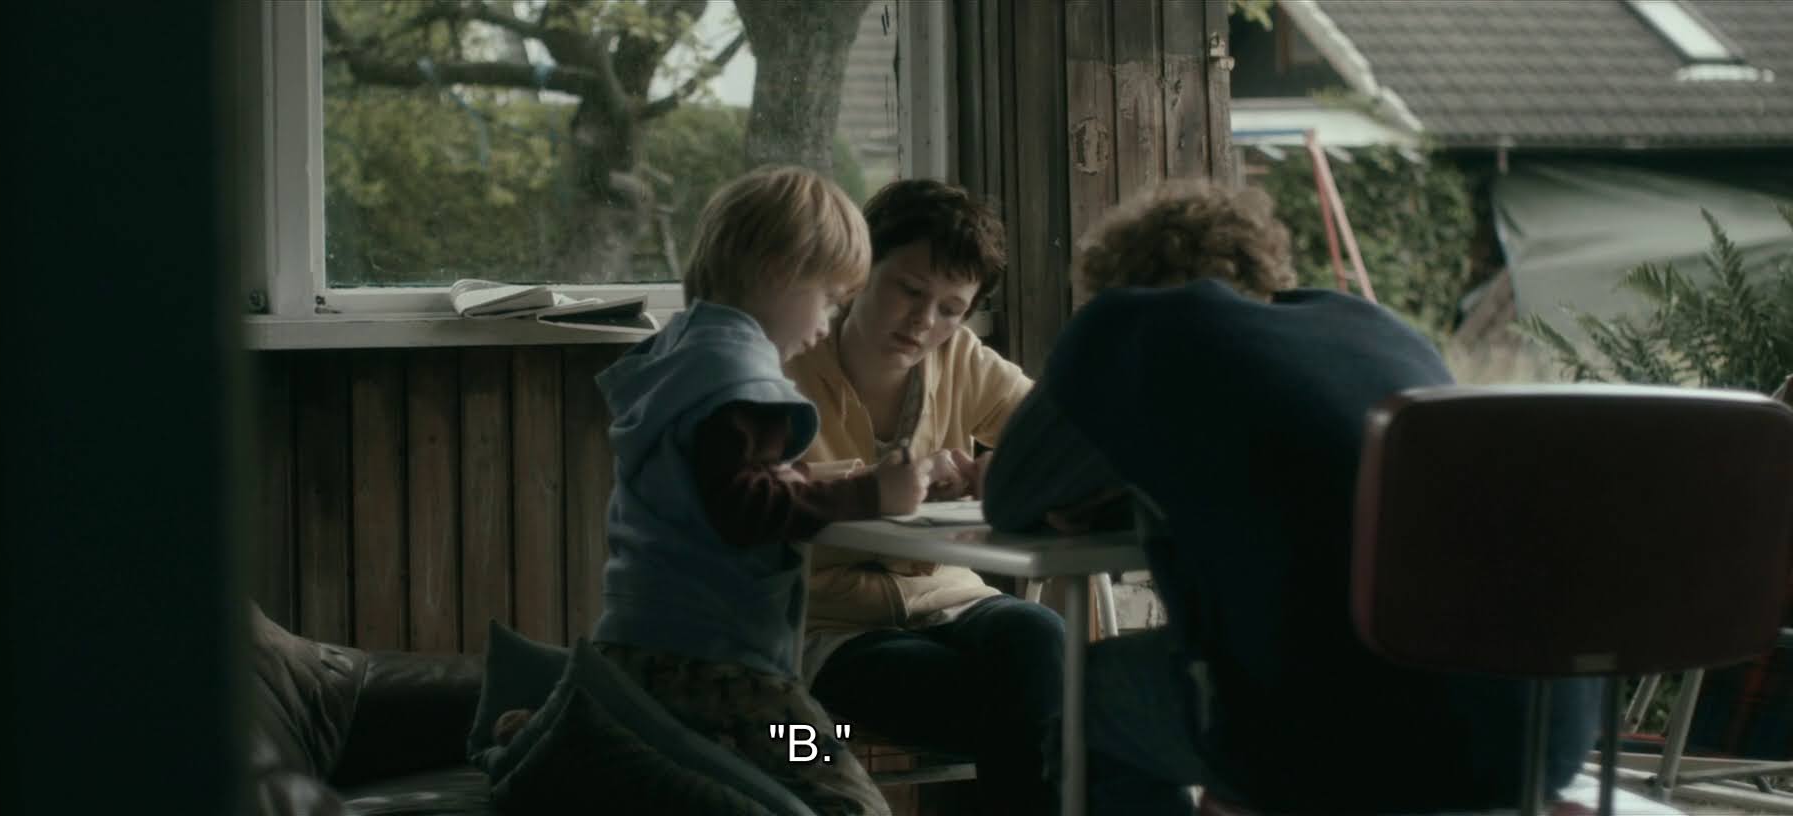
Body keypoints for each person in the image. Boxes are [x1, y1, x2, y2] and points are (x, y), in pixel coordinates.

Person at [983, 181, 1601, 814]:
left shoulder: (1130, 326)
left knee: (1091, 696)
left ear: (1118, 283)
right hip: (1538, 731)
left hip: (1342, 732)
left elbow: (1008, 496)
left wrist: (1102, 493)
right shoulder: (1378, 329)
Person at [586, 166, 934, 816]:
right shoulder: (740, 379)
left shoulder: (678, 358)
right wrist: (873, 496)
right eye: (828, 299)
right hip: (728, 677)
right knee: (846, 794)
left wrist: (800, 480)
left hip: (634, 653)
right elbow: (744, 508)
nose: (828, 324)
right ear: (780, 271)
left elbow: (713, 484)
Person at [784, 178, 1066, 814]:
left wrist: (1001, 471)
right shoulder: (790, 356)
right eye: (909, 290)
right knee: (1024, 705)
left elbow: (1059, 435)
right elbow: (754, 494)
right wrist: (884, 483)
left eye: (951, 308)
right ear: (859, 271)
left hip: (951, 598)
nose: (924, 321)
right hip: (825, 626)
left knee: (1041, 639)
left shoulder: (962, 358)